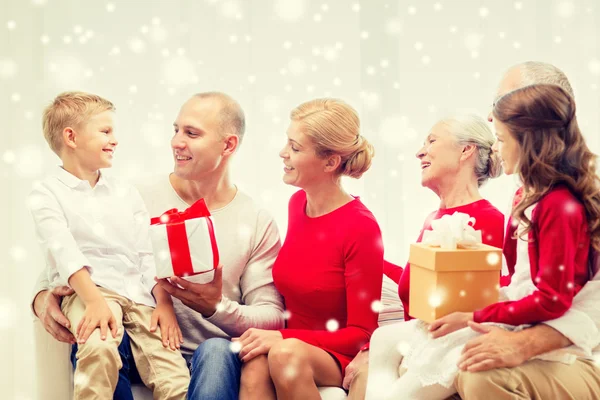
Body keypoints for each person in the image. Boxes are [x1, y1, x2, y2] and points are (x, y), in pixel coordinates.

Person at [31, 91, 285, 400]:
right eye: (175, 130)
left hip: (205, 354)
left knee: (217, 351)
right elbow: (65, 256)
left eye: (191, 133)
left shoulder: (256, 221)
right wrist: (42, 298)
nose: (176, 142)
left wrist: (216, 307)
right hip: (132, 332)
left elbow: (271, 314)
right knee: (102, 337)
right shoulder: (131, 194)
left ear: (228, 145)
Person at [28, 91, 190, 399]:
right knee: (99, 348)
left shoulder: (125, 193)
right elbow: (64, 251)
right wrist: (93, 301)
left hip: (140, 298)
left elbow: (146, 253)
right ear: (71, 137)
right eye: (105, 131)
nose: (114, 140)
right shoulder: (47, 194)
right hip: (91, 292)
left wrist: (165, 304)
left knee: (174, 375)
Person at [455, 62, 600, 400]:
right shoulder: (526, 196)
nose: (490, 118)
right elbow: (522, 283)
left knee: (475, 375)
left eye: (502, 101)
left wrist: (525, 342)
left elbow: (557, 297)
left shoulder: (567, 203)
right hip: (535, 327)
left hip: (580, 353)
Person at [234, 98, 384, 399]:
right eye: (287, 143)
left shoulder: (361, 226)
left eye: (295, 148)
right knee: (254, 362)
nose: (283, 153)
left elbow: (361, 333)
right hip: (289, 346)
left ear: (330, 163)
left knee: (284, 356)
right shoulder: (297, 204)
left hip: (333, 354)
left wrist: (281, 337)